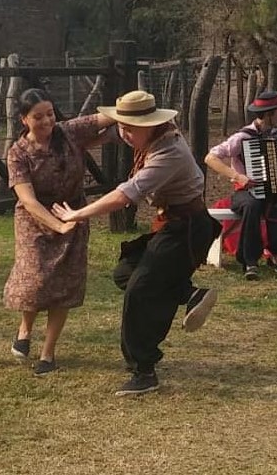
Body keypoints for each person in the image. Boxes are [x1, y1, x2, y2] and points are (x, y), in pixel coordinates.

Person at [52, 90, 221, 397]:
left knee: (140, 291)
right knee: (124, 273)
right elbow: (107, 133)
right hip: (171, 224)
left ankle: (143, 370)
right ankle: (190, 293)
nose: (125, 134)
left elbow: (123, 195)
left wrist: (77, 214)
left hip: (187, 229)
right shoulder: (143, 132)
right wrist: (76, 143)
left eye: (131, 128)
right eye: (123, 126)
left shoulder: (169, 153)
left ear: (151, 124)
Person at [3, 88, 116, 375]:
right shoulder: (17, 153)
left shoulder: (68, 132)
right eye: (38, 117)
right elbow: (27, 200)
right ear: (24, 120)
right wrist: (58, 225)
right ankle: (25, 329)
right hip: (35, 220)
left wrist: (136, 111)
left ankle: (48, 353)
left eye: (50, 114)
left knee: (64, 285)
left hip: (73, 212)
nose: (46, 121)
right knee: (36, 281)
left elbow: (105, 118)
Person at [204, 89, 277, 280]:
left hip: (274, 192)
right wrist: (237, 176)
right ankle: (249, 261)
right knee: (253, 204)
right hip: (245, 192)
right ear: (269, 114)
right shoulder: (242, 138)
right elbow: (210, 158)